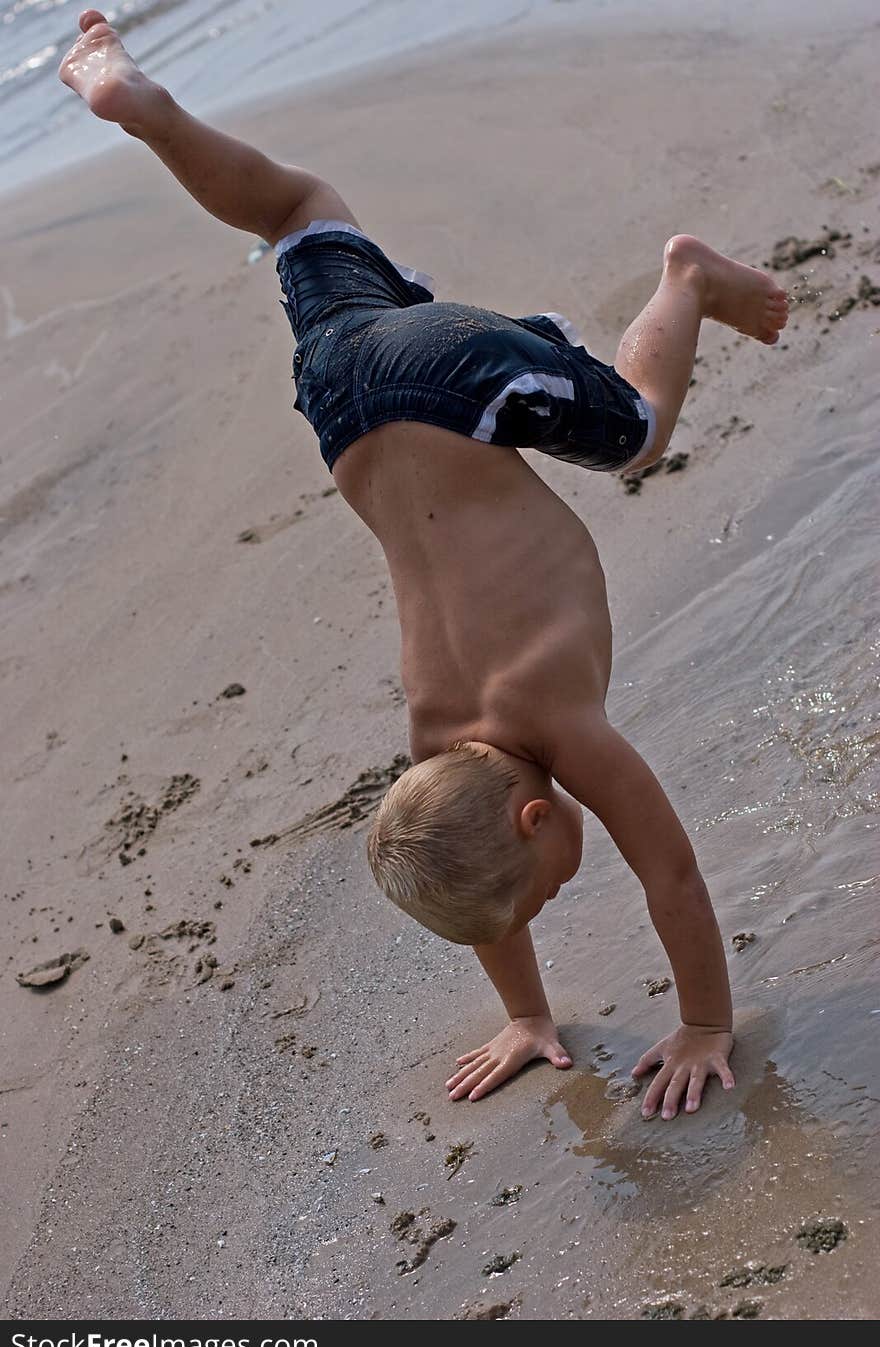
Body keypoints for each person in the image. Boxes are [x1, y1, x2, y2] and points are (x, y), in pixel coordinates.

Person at [59, 10, 790, 1118]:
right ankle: (143, 111)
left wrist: (700, 1024)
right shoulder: (430, 755)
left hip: (458, 379)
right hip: (347, 400)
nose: (537, 911)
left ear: (537, 820)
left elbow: (670, 876)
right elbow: (469, 871)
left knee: (638, 429)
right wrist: (526, 1015)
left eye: (539, 895)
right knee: (300, 211)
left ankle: (686, 279)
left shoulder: (556, 727)